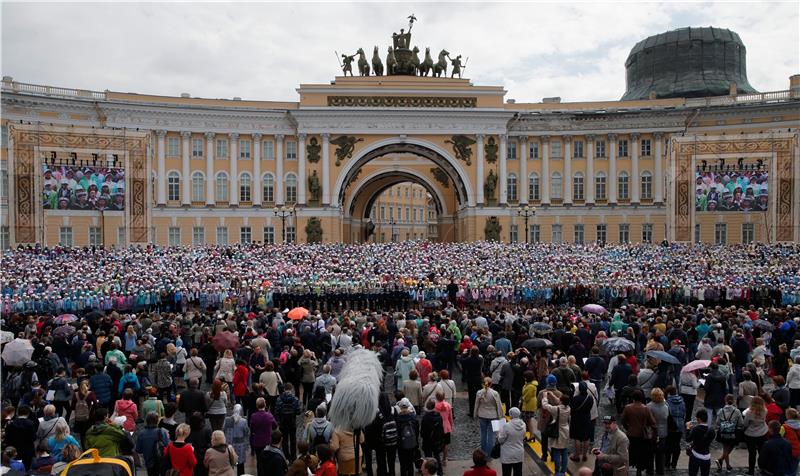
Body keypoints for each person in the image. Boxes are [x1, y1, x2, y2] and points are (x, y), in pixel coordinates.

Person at [620, 390, 656, 476]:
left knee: (631, 451)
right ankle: (639, 470)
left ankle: (629, 467)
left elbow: (623, 420)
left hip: (631, 434)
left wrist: (627, 427)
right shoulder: (645, 408)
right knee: (641, 453)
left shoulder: (628, 407)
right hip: (642, 435)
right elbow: (652, 422)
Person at [541, 391, 571, 476]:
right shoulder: (568, 408)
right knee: (564, 452)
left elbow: (545, 405)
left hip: (558, 431)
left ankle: (557, 472)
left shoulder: (557, 409)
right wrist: (553, 395)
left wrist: (545, 397)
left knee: (557, 452)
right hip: (566, 430)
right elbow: (559, 401)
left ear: (561, 401)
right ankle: (563, 471)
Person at [474, 376, 503, 458]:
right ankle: (489, 454)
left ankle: (483, 452)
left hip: (482, 415)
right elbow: (499, 405)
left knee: (483, 434)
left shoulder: (479, 393)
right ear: (491, 384)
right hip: (493, 416)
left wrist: (475, 414)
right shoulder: (495, 393)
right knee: (491, 436)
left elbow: (476, 404)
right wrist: (500, 416)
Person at [714, 394, 743, 471]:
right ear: (733, 401)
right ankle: (727, 465)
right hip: (733, 432)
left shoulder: (721, 411)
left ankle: (721, 461)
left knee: (725, 448)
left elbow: (717, 422)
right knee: (730, 447)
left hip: (723, 432)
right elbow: (741, 423)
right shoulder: (737, 411)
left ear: (725, 400)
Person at [136, 411, 170, 476]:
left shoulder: (141, 434)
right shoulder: (162, 431)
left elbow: (138, 449)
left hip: (148, 462)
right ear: (157, 421)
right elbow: (167, 445)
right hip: (161, 461)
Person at [249, 397, 277, 474]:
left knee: (259, 460)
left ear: (257, 406)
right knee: (268, 460)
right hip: (267, 441)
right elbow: (275, 425)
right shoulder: (269, 416)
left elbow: (252, 429)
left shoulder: (253, 416)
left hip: (258, 442)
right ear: (265, 405)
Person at [741, 396, 769, 475]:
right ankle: (763, 468)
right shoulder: (765, 411)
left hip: (751, 434)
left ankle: (751, 471)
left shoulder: (749, 412)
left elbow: (745, 424)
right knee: (762, 452)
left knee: (752, 454)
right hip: (762, 432)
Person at [275, 383, 302, 461]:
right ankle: (293, 456)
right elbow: (298, 412)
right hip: (292, 422)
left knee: (284, 440)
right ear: (291, 389)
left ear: (284, 389)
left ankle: (286, 456)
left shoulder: (280, 399)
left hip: (283, 422)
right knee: (293, 439)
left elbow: (276, 411)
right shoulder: (295, 399)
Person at [685, 409, 715, 476]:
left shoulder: (696, 429)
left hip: (696, 455)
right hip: (707, 457)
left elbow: (688, 439)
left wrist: (688, 428)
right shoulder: (712, 430)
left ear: (698, 419)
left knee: (692, 473)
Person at [646, 388, 669, 476]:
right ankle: (660, 471)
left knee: (650, 454)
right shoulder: (666, 406)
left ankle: (650, 471)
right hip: (663, 434)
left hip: (652, 434)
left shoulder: (648, 407)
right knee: (661, 455)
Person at [570, 381, 594, 463]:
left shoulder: (575, 399)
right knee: (586, 437)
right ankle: (585, 455)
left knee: (577, 438)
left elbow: (572, 410)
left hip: (577, 419)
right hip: (586, 418)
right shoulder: (590, 398)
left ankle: (577, 456)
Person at [497, 407, 525, 476]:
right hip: (519, 453)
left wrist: (498, 433)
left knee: (506, 473)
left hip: (507, 455)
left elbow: (500, 440)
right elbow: (523, 437)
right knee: (518, 473)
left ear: (511, 415)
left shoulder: (506, 426)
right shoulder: (523, 425)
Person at [223, 404, 249, 476]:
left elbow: (223, 430)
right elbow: (246, 432)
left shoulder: (227, 419)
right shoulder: (243, 421)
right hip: (240, 446)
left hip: (229, 445)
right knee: (240, 465)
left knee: (230, 464)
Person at [395, 398, 419, 476]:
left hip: (401, 444)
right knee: (410, 463)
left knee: (403, 463)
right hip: (411, 443)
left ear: (400, 407)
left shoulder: (397, 418)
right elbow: (417, 431)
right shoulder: (413, 417)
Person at [71, 379, 97, 446]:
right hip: (89, 417)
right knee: (90, 432)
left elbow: (72, 407)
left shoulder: (75, 394)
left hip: (79, 418)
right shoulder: (91, 394)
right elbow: (96, 405)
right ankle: (90, 446)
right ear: (88, 386)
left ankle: (84, 448)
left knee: (82, 434)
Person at [780, 408, 800, 476]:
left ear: (787, 416)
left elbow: (780, 437)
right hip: (798, 450)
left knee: (786, 467)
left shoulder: (784, 427)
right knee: (794, 467)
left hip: (787, 450)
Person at [520, 371, 538, 442]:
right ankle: (531, 435)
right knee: (528, 421)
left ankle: (527, 435)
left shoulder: (530, 386)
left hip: (528, 405)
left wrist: (522, 399)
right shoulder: (530, 385)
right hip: (530, 405)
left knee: (525, 421)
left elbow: (526, 397)